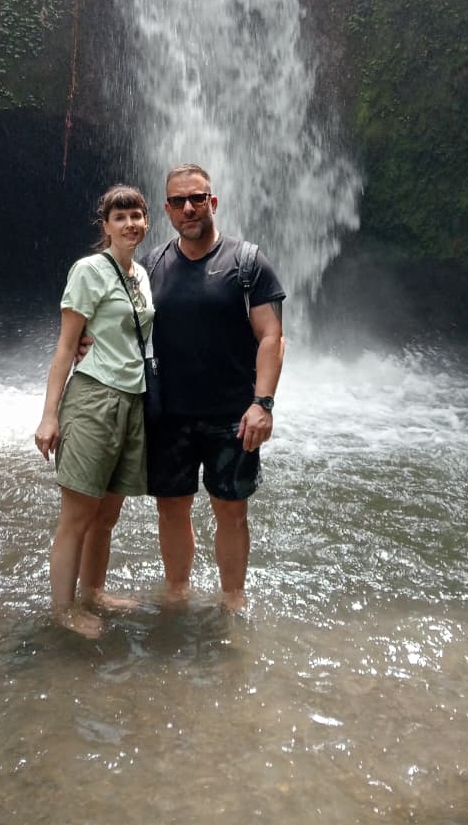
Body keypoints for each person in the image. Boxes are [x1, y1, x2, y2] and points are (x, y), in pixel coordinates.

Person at [147, 163, 285, 608]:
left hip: (232, 414)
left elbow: (271, 336)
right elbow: (121, 324)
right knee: (171, 507)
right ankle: (177, 593)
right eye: (178, 201)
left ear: (213, 202)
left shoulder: (247, 262)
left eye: (197, 198)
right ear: (166, 210)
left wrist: (262, 403)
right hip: (168, 414)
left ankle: (233, 599)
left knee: (231, 510)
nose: (188, 208)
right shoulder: (150, 266)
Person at [34, 183, 153, 637]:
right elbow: (66, 347)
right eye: (119, 217)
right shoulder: (88, 270)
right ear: (104, 226)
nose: (129, 224)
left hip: (132, 400)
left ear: (146, 220)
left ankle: (94, 592)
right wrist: (50, 415)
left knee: (107, 514)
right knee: (78, 515)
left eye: (136, 215)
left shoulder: (141, 275)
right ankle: (64, 609)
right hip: (93, 397)